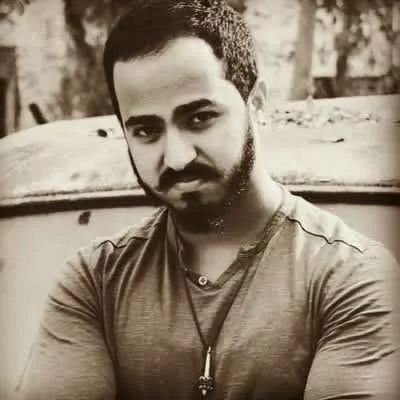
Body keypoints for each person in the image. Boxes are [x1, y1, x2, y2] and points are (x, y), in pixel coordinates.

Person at [20, 0, 400, 399]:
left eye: (199, 118)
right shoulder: (95, 281)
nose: (176, 157)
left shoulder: (348, 276)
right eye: (147, 131)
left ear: (257, 104)